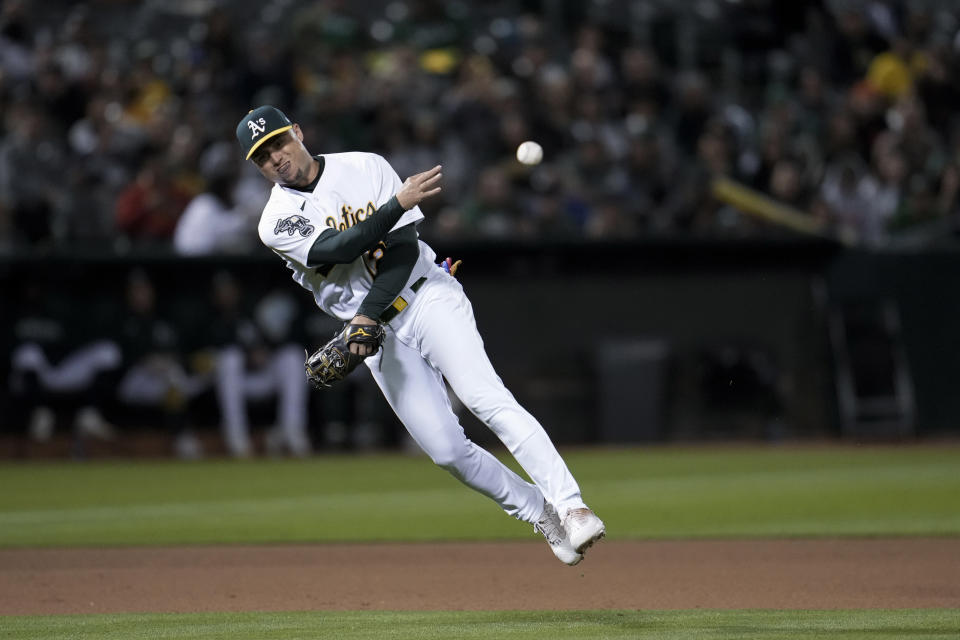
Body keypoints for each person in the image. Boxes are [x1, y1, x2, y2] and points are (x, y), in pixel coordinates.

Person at [235, 105, 604, 565]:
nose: (275, 158)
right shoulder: (275, 219)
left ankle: (571, 506)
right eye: (262, 156)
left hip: (425, 296)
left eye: (278, 143)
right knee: (448, 451)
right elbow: (338, 247)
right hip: (372, 335)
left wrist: (367, 314)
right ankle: (539, 511)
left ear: (297, 133)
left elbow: (403, 251)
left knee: (483, 397)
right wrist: (397, 206)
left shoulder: (364, 166)